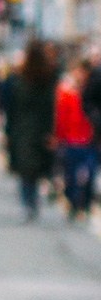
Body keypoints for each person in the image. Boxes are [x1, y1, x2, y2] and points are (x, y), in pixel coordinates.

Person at [1, 40, 60, 219]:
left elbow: (11, 107)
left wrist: (8, 131)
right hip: (41, 129)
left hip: (22, 129)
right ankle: (33, 201)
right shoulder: (49, 79)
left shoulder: (19, 80)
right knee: (36, 167)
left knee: (25, 169)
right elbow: (52, 107)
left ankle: (28, 202)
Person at [52, 55, 97, 219]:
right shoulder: (65, 90)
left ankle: (84, 204)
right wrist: (58, 135)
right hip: (70, 139)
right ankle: (73, 203)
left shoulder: (92, 90)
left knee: (89, 173)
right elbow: (60, 115)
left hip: (88, 139)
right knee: (70, 175)